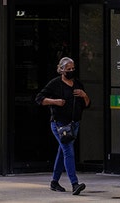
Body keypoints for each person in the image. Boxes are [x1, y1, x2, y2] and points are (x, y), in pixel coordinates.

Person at [35, 56, 90, 196]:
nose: (71, 71)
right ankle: (74, 183)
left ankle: (54, 181)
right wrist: (55, 102)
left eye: (73, 68)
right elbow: (39, 99)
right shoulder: (55, 84)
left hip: (74, 124)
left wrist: (84, 95)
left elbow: (87, 104)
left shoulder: (77, 84)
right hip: (59, 124)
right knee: (68, 151)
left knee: (62, 152)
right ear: (62, 70)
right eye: (68, 69)